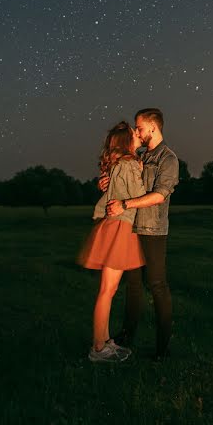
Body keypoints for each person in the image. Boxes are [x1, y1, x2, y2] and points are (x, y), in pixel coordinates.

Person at [103, 107, 179, 360]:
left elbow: (159, 195)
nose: (136, 132)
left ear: (153, 127)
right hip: (131, 228)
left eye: (140, 127)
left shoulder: (168, 159)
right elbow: (122, 179)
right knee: (133, 285)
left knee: (157, 285)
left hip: (153, 230)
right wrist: (105, 181)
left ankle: (163, 348)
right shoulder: (141, 156)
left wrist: (126, 204)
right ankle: (127, 335)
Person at [77, 121, 146, 363]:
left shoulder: (121, 164)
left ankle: (105, 341)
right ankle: (98, 348)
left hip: (117, 227)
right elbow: (142, 194)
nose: (139, 135)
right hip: (120, 228)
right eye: (134, 134)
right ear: (127, 142)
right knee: (107, 290)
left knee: (110, 289)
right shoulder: (127, 164)